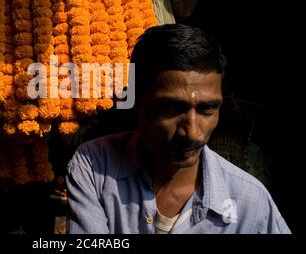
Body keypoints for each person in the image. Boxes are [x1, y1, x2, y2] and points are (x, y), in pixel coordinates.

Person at [65, 24, 291, 234]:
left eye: (207, 109)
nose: (192, 132)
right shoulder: (95, 167)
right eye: (171, 109)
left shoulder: (251, 202)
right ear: (133, 105)